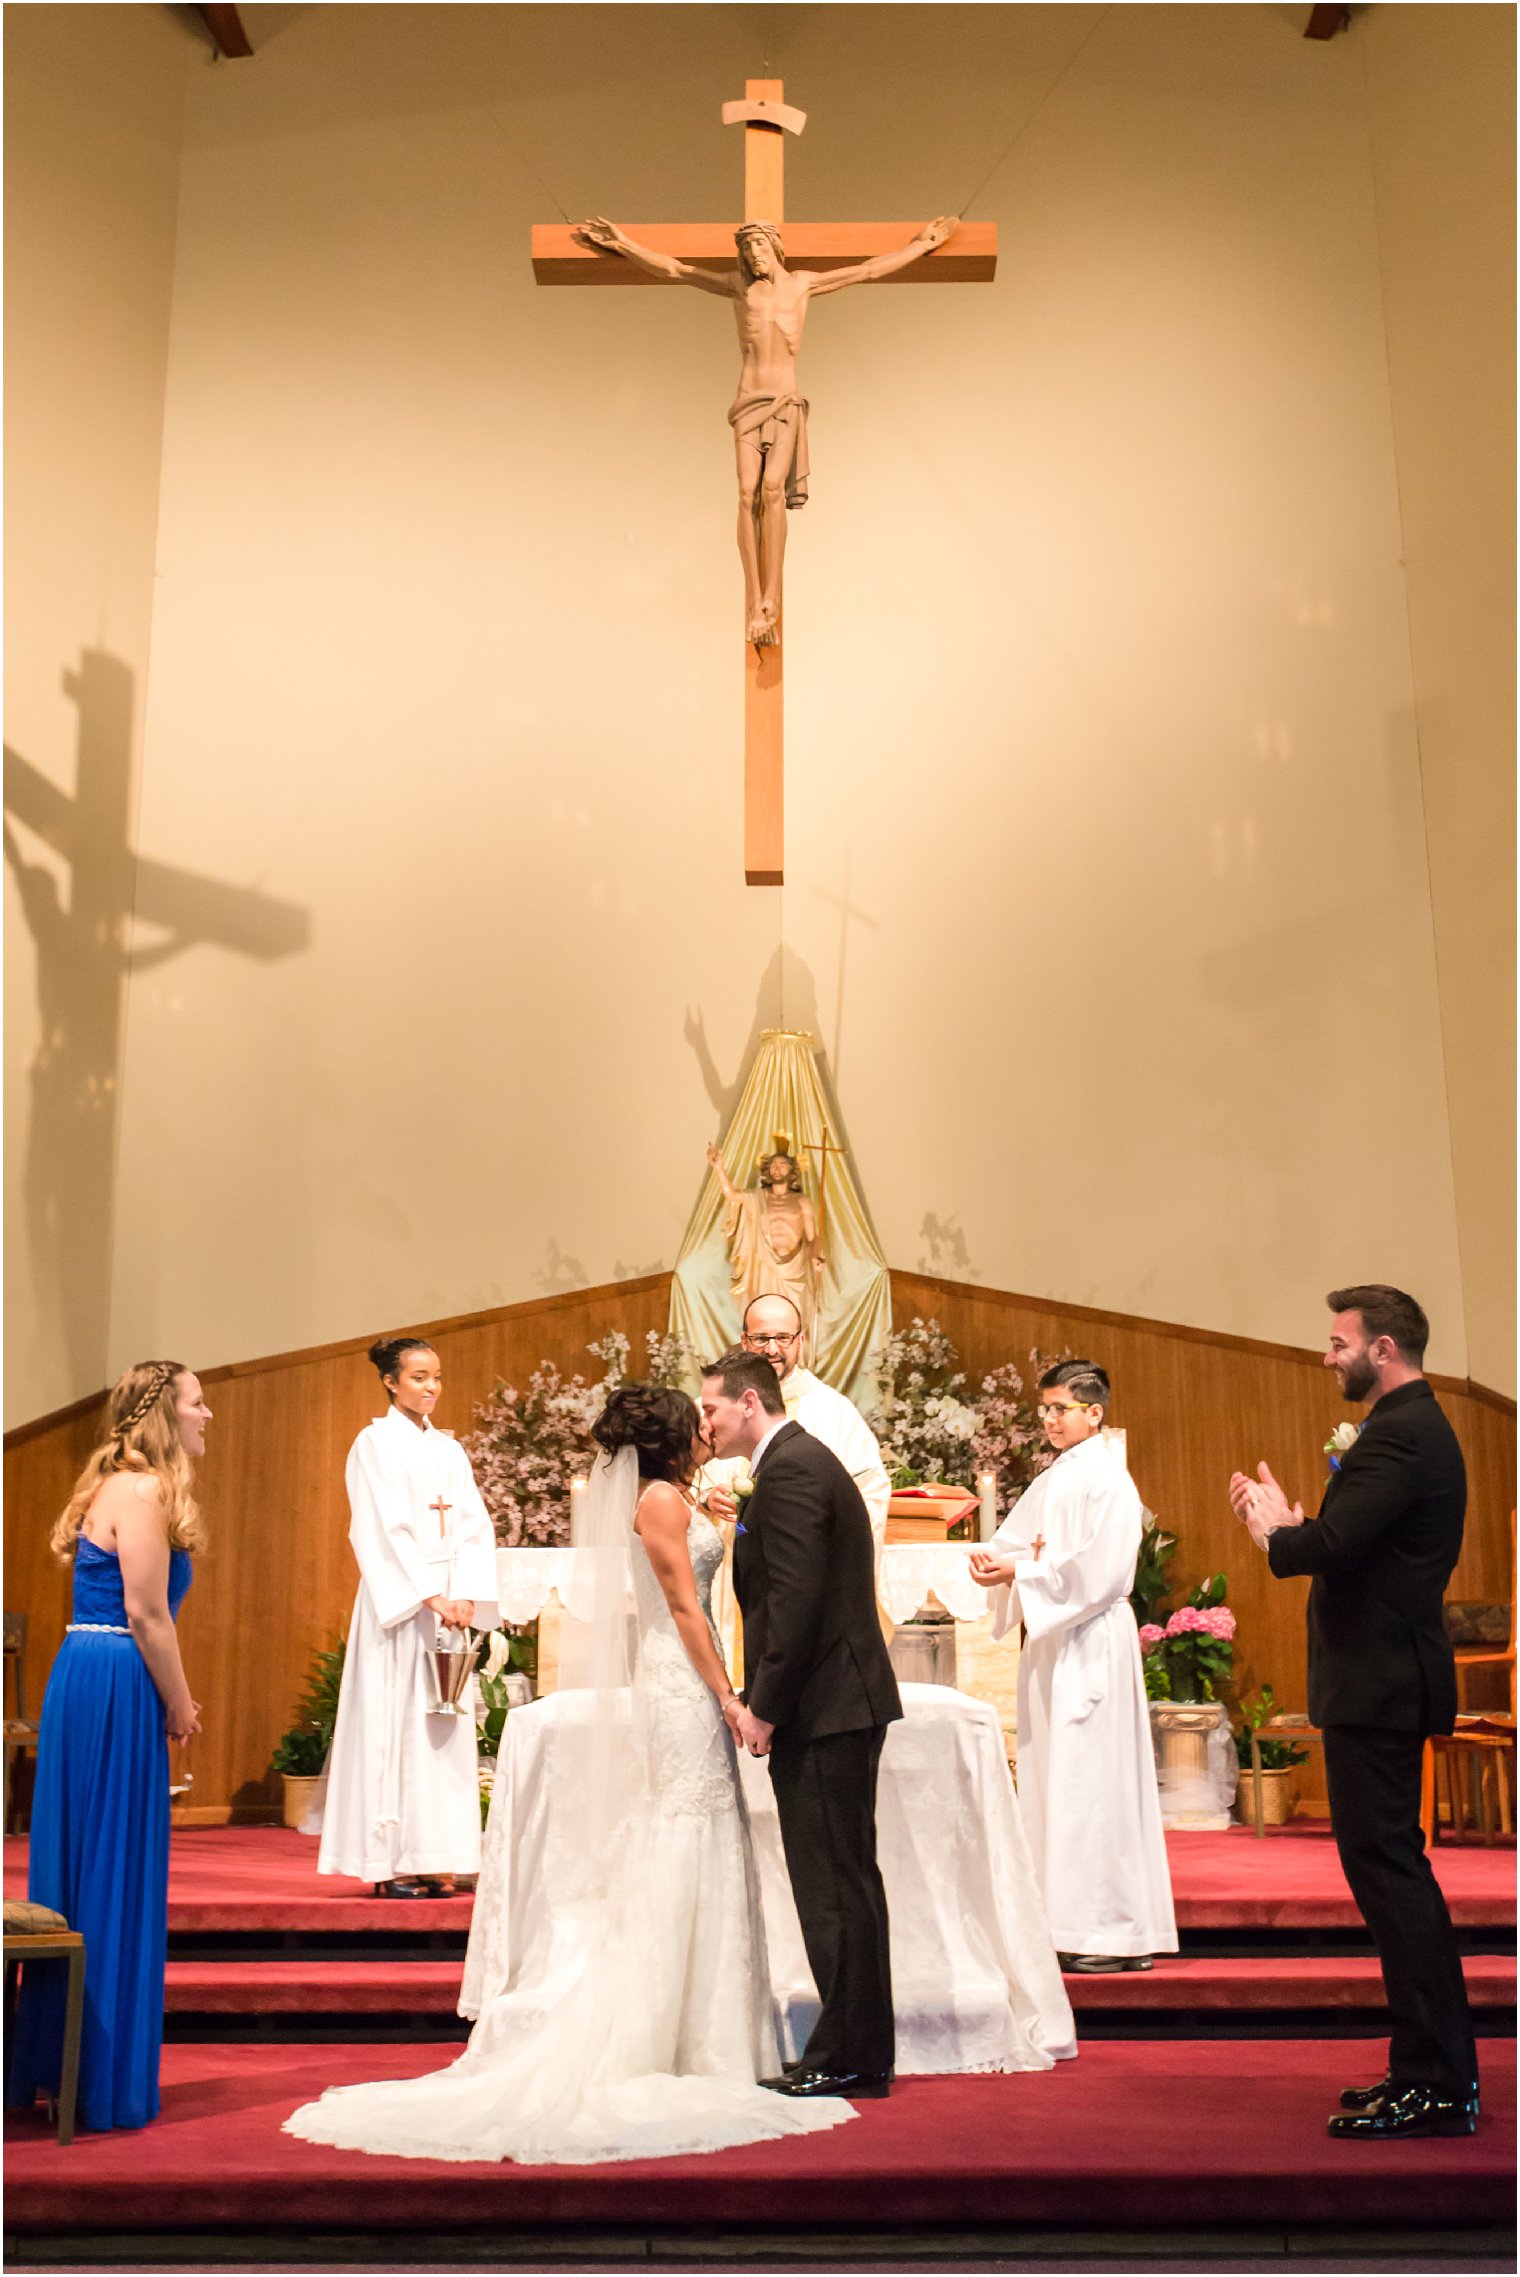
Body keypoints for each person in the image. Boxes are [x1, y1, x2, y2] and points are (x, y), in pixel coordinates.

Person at [286, 1383, 855, 2164]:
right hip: (680, 1683)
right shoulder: (658, 1501)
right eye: (695, 1423)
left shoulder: (675, 1495)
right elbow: (686, 1610)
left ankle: (709, 2027)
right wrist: (727, 1692)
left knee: (702, 1835)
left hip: (688, 1679)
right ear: (669, 1437)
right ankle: (676, 2032)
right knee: (684, 1837)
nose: (704, 1430)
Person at [1229, 1285, 1477, 2140]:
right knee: (1387, 1877)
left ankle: (1440, 2080)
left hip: (1380, 1685)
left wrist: (1276, 1530)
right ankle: (1422, 2066)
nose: (1326, 1355)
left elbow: (1328, 1551)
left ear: (1384, 1350)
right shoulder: (1402, 1430)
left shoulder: (1402, 1433)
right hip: (1377, 1682)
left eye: (1338, 1342)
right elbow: (1356, 1546)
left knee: (1394, 1880)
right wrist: (1302, 1523)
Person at [573, 213, 959, 646]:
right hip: (748, 401)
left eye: (757, 246)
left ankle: (770, 598)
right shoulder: (739, 288)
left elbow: (867, 270)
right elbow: (676, 269)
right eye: (745, 249)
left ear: (774, 248)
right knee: (745, 494)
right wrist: (624, 243)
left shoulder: (802, 284)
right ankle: (753, 594)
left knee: (772, 490)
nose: (751, 255)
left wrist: (921, 246)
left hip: (784, 402)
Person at [6, 1361, 210, 2133]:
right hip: (118, 1670)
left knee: (88, 1864)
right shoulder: (142, 1490)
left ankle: (67, 2067)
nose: (207, 1413)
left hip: (93, 1670)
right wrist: (182, 1701)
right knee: (110, 1868)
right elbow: (148, 1612)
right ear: (163, 1414)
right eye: (196, 1401)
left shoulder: (118, 1485)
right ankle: (91, 2075)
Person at [700, 1348, 902, 2099]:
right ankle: (858, 2046)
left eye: (714, 1408)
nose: (708, 1421)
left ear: (749, 1403)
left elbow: (793, 1605)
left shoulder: (789, 1474)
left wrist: (763, 1707)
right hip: (836, 1702)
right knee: (846, 1878)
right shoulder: (798, 1463)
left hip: (823, 1708)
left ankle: (849, 2054)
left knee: (834, 1885)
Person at [968, 1361, 1177, 1974]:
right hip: (1054, 1643)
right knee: (1058, 1781)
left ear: (1095, 1412)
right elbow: (1015, 1541)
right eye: (1046, 1410)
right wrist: (993, 1562)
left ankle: (1112, 1931)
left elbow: (1102, 1572)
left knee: (1094, 1786)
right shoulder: (1057, 1475)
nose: (1050, 1420)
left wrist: (1021, 1574)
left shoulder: (1109, 1479)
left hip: (1090, 1642)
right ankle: (1068, 1922)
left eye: (1061, 1409)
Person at [316, 1337, 499, 1897]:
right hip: (402, 1609)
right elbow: (379, 1526)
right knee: (393, 1728)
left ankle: (438, 1855)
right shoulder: (374, 1444)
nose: (431, 1387)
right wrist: (428, 1593)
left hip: (447, 1605)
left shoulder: (449, 1450)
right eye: (419, 1376)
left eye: (437, 1377)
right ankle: (390, 1861)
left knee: (440, 1733)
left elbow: (473, 1523)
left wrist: (464, 1590)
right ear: (391, 1382)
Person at [700, 1293, 892, 1546]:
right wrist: (706, 1499)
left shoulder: (835, 1411)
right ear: (744, 1341)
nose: (771, 1349)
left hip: (804, 1556)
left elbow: (869, 1490)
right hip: (725, 1561)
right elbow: (681, 1479)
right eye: (760, 1338)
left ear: (800, 1341)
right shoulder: (712, 1406)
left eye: (783, 1338)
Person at [704, 1144, 825, 1353]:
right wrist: (719, 1167)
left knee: (791, 1318)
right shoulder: (757, 1197)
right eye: (774, 1165)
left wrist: (815, 1257)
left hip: (793, 1269)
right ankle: (760, 1363)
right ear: (768, 1170)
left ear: (792, 1171)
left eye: (783, 1165)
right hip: (764, 1266)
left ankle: (791, 1363)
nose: (777, 1169)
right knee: (763, 1316)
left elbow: (813, 1236)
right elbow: (732, 1195)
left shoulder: (802, 1201)